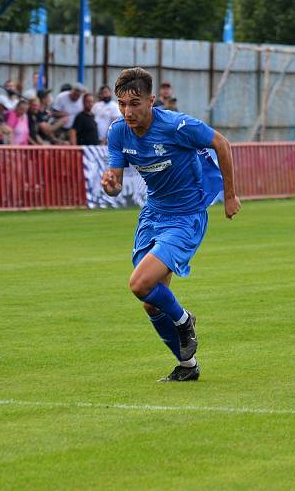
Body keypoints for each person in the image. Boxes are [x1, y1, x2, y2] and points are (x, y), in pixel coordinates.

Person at [101, 67, 241, 382]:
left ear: (152, 101)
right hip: (153, 216)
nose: (128, 111)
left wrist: (230, 196)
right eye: (122, 104)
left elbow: (222, 143)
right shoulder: (118, 132)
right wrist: (109, 184)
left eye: (135, 103)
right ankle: (187, 367)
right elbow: (115, 184)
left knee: (139, 285)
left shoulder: (177, 125)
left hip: (186, 217)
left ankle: (183, 320)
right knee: (151, 303)